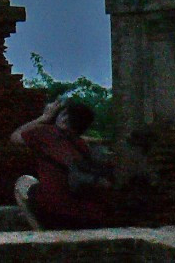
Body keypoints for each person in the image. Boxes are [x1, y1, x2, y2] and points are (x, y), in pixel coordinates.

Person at [9, 95, 113, 230]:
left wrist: (44, 117)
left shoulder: (46, 134)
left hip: (54, 210)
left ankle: (41, 231)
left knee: (23, 184)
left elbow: (15, 136)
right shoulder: (84, 145)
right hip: (88, 214)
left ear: (64, 119)